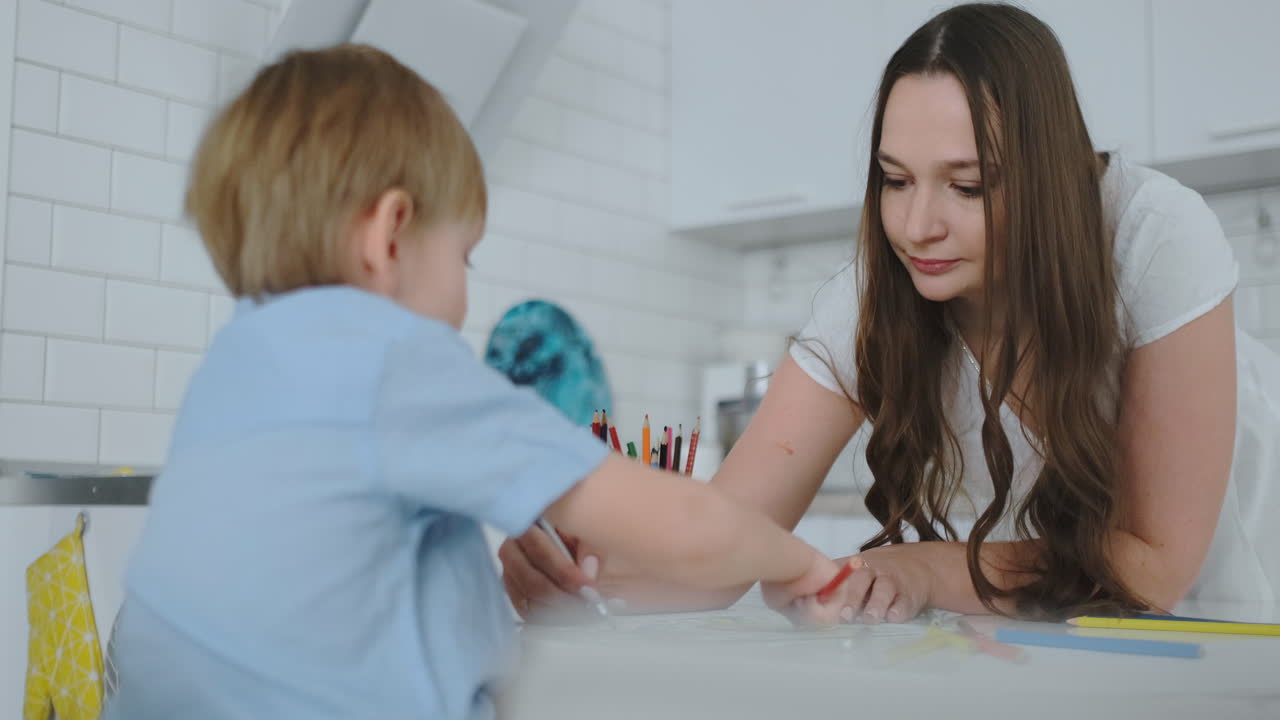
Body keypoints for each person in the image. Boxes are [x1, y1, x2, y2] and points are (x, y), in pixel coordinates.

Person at [101, 45, 852, 720]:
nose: (464, 294)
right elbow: (682, 523)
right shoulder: (392, 359)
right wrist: (805, 564)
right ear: (389, 234)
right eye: (466, 255)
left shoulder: (236, 364)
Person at [500, 2, 1280, 624]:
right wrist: (587, 575)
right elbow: (722, 537)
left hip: (1235, 604)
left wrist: (924, 568)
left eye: (967, 186)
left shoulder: (1154, 237)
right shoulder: (873, 297)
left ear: (1048, 180)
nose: (916, 226)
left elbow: (1154, 565)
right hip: (1074, 623)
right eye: (895, 180)